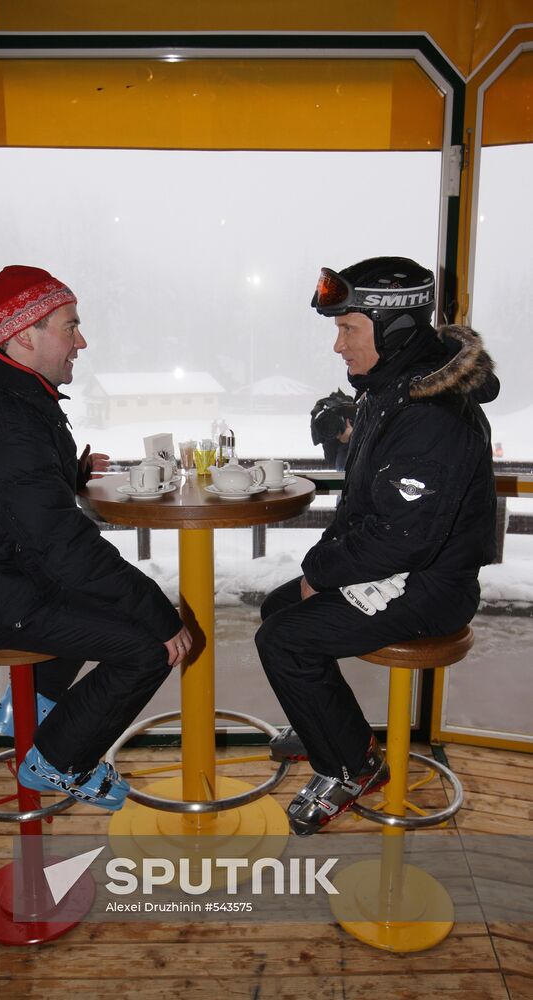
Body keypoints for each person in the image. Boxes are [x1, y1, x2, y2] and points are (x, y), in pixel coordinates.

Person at [0, 265, 192, 811]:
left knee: (112, 605)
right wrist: (160, 612)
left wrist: (67, 473)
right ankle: (57, 761)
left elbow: (3, 493)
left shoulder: (2, 396)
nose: (81, 341)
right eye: (70, 326)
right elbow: (62, 545)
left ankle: (29, 710)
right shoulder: (1, 415)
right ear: (25, 334)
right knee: (148, 647)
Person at [255, 256, 498, 835]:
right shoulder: (393, 388)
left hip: (431, 585)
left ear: (393, 330)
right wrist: (346, 435)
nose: (338, 346)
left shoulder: (431, 411)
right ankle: (327, 729)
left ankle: (350, 767)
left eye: (348, 329)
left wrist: (321, 570)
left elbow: (402, 536)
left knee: (285, 640)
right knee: (278, 611)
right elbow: (379, 493)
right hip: (409, 567)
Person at [310, 388, 357, 469]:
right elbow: (332, 462)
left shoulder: (354, 416)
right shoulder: (324, 420)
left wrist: (350, 436)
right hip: (338, 456)